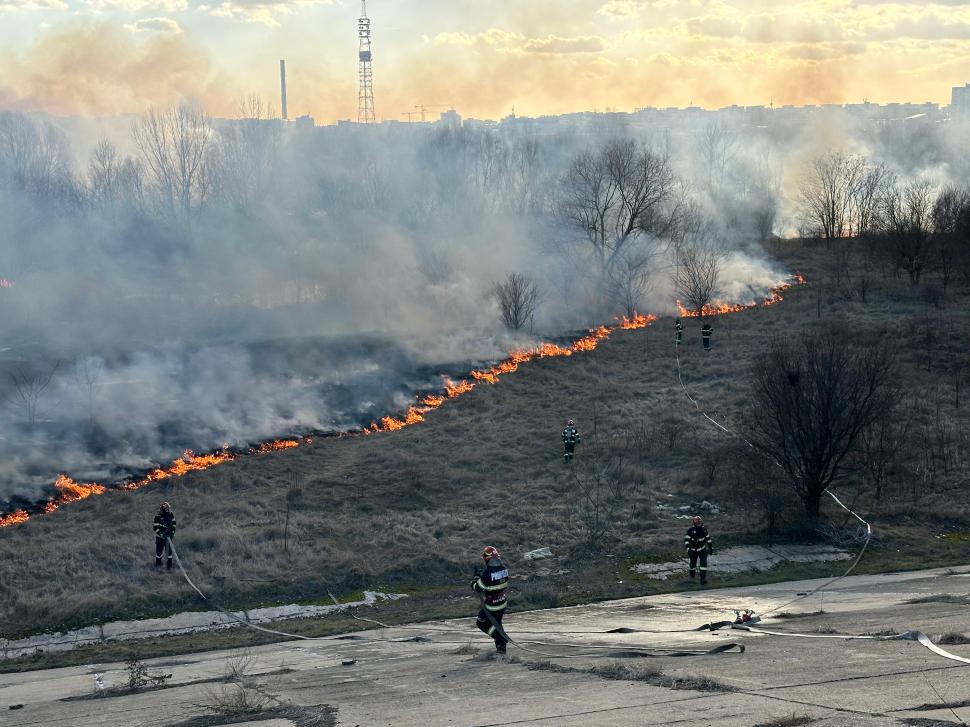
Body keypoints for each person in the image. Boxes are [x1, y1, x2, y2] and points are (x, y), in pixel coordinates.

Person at [472, 545, 510, 653]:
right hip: (502, 602)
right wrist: (482, 576)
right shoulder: (504, 569)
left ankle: (501, 638)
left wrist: (475, 578)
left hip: (492, 605)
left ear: (487, 558)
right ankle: (501, 648)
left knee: (481, 623)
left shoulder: (487, 574)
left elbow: (478, 588)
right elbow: (493, 581)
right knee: (497, 623)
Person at [684, 515, 713, 585]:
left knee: (703, 564)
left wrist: (711, 548)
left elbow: (708, 539)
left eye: (700, 523)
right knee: (693, 565)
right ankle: (692, 577)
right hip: (693, 551)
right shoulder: (690, 531)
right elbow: (686, 540)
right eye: (697, 523)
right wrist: (688, 549)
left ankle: (703, 580)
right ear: (694, 523)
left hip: (702, 550)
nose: (699, 524)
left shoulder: (704, 530)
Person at [153, 501, 177, 570]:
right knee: (159, 552)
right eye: (166, 508)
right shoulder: (157, 516)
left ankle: (169, 567)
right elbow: (155, 527)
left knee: (169, 552)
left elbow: (174, 524)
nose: (168, 510)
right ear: (162, 509)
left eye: (168, 508)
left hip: (168, 537)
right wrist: (161, 534)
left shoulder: (170, 514)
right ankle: (158, 565)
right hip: (160, 538)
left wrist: (172, 533)